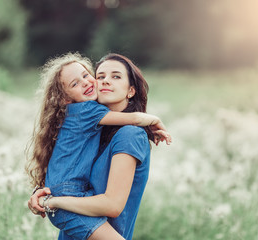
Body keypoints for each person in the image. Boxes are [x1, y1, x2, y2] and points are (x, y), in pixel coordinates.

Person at [27, 53, 171, 240]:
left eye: (116, 76)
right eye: (100, 76)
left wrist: (54, 202)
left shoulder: (129, 134)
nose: (105, 81)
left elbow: (112, 205)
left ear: (131, 91)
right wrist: (41, 194)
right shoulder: (93, 131)